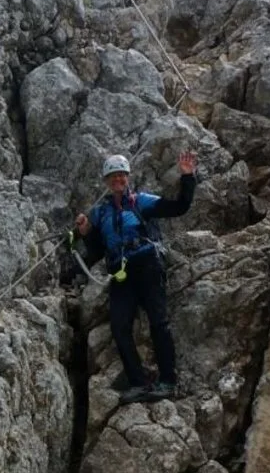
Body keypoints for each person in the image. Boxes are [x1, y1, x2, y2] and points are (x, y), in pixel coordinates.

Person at [73, 149, 198, 403]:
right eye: (113, 177)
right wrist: (85, 232)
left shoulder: (141, 202)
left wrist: (188, 177)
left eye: (122, 176)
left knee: (158, 322)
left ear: (128, 178)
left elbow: (179, 207)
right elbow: (97, 250)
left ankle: (168, 381)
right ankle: (139, 383)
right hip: (121, 272)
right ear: (107, 182)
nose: (118, 180)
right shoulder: (101, 213)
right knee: (120, 327)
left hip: (147, 263)